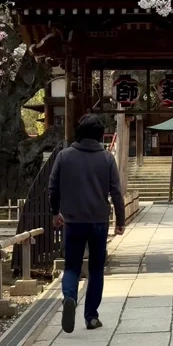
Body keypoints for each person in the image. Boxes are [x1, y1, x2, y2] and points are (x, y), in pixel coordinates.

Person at [48, 114, 125, 333]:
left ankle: (70, 297)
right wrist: (120, 221)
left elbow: (52, 189)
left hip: (73, 221)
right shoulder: (107, 158)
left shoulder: (64, 157)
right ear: (100, 136)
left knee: (72, 265)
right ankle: (91, 316)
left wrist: (56, 213)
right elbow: (116, 192)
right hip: (99, 221)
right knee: (96, 269)